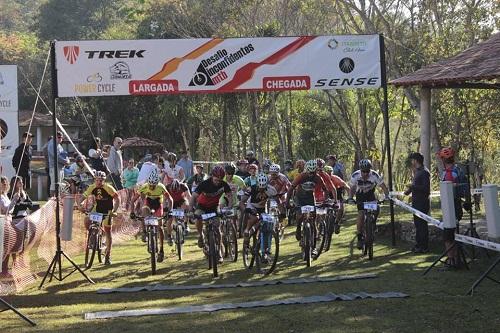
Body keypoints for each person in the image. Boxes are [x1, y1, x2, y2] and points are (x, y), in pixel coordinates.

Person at [285, 159, 332, 257]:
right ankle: (298, 227)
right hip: (299, 198)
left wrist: (326, 200)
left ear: (315, 171)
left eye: (313, 172)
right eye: (309, 172)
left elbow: (325, 189)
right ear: (306, 170)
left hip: (310, 198)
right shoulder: (301, 176)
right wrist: (287, 202)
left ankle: (314, 247)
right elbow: (291, 188)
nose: (311, 175)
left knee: (313, 221)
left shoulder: (318, 178)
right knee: (299, 216)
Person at [188, 165, 232, 262]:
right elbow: (193, 197)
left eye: (220, 180)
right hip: (202, 206)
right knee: (198, 217)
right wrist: (191, 210)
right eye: (216, 180)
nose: (218, 182)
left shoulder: (223, 184)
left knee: (217, 227)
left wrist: (229, 207)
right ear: (212, 176)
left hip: (213, 207)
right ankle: (201, 235)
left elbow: (229, 195)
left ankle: (219, 250)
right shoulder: (204, 184)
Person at [347, 159, 390, 250]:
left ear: (370, 170)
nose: (366, 173)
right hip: (360, 195)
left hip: (370, 194)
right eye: (364, 171)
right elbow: (352, 188)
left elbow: (383, 186)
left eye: (367, 171)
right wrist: (350, 198)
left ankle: (372, 223)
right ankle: (359, 237)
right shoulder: (355, 175)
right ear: (360, 170)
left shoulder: (374, 175)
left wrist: (387, 197)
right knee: (361, 214)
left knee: (377, 208)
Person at [80, 171, 120, 265]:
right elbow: (83, 196)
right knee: (87, 219)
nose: (99, 182)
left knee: (108, 233)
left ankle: (108, 255)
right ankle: (93, 235)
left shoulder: (109, 188)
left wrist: (114, 210)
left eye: (101, 180)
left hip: (108, 211)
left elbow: (117, 199)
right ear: (95, 180)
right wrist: (80, 204)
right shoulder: (92, 187)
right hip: (97, 210)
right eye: (97, 180)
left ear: (104, 180)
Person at [134, 169, 173, 262]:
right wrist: (132, 211)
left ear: (156, 183)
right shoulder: (144, 187)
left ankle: (161, 250)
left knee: (159, 227)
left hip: (158, 204)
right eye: (150, 185)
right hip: (148, 203)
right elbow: (133, 200)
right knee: (143, 213)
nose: (151, 187)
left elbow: (170, 199)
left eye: (153, 185)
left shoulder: (161, 187)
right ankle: (144, 232)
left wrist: (170, 211)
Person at [438, 147, 467, 268]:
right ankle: (455, 259)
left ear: (444, 160)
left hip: (451, 206)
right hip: (455, 205)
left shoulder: (450, 173)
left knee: (448, 234)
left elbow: (449, 190)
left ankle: (452, 260)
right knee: (452, 233)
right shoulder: (458, 170)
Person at [241, 173, 278, 262]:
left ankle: (264, 251)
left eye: (263, 187)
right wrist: (246, 210)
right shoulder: (251, 188)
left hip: (262, 208)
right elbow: (242, 202)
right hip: (252, 207)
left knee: (268, 225)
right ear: (257, 184)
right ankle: (247, 231)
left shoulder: (271, 190)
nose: (261, 189)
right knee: (254, 218)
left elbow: (278, 201)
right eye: (260, 187)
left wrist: (281, 211)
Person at [404, 152, 431, 253]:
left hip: (422, 203)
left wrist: (412, 187)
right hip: (416, 202)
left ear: (415, 161)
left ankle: (424, 247)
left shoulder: (424, 172)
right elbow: (416, 185)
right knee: (418, 225)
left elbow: (426, 189)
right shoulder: (417, 171)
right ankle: (418, 245)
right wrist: (408, 191)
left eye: (412, 160)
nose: (411, 162)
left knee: (422, 225)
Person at [165, 179, 191, 245]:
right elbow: (164, 199)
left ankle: (185, 224)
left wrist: (191, 206)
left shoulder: (183, 186)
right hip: (172, 202)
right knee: (169, 220)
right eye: (173, 191)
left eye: (176, 190)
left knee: (186, 206)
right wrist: (165, 208)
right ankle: (169, 237)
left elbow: (189, 196)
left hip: (181, 200)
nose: (175, 192)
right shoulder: (167, 187)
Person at [47, 131, 70, 196]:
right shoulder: (51, 145)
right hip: (54, 168)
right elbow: (56, 156)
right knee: (54, 185)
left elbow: (64, 154)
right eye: (59, 137)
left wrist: (68, 160)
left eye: (61, 137)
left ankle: (58, 199)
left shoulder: (59, 145)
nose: (60, 139)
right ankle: (52, 199)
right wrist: (65, 162)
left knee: (59, 185)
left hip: (61, 168)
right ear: (55, 137)